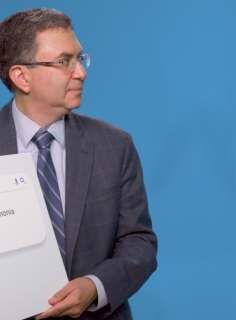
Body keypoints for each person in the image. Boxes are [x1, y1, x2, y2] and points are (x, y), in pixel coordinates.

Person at [0, 8, 157, 320]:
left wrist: (94, 286)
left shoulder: (114, 145)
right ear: (21, 76)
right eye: (63, 62)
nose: (81, 72)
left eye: (79, 58)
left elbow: (139, 243)